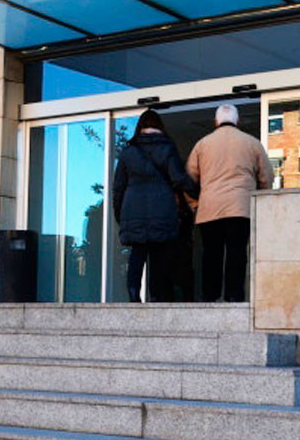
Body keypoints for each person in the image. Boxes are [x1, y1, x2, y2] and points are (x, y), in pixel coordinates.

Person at [186, 105, 272, 303]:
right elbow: (266, 176)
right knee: (237, 252)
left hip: (209, 209)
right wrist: (260, 199)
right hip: (240, 208)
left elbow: (188, 179)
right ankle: (234, 296)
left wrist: (195, 204)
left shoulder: (202, 144)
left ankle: (210, 296)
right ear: (238, 121)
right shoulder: (252, 143)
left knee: (211, 254)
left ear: (216, 122)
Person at [113, 110, 199, 303]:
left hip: (133, 207)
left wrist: (119, 213)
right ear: (160, 126)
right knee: (158, 256)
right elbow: (178, 178)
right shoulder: (167, 148)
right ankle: (156, 296)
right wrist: (197, 192)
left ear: (140, 127)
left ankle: (134, 294)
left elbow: (118, 187)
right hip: (162, 207)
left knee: (137, 253)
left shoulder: (128, 152)